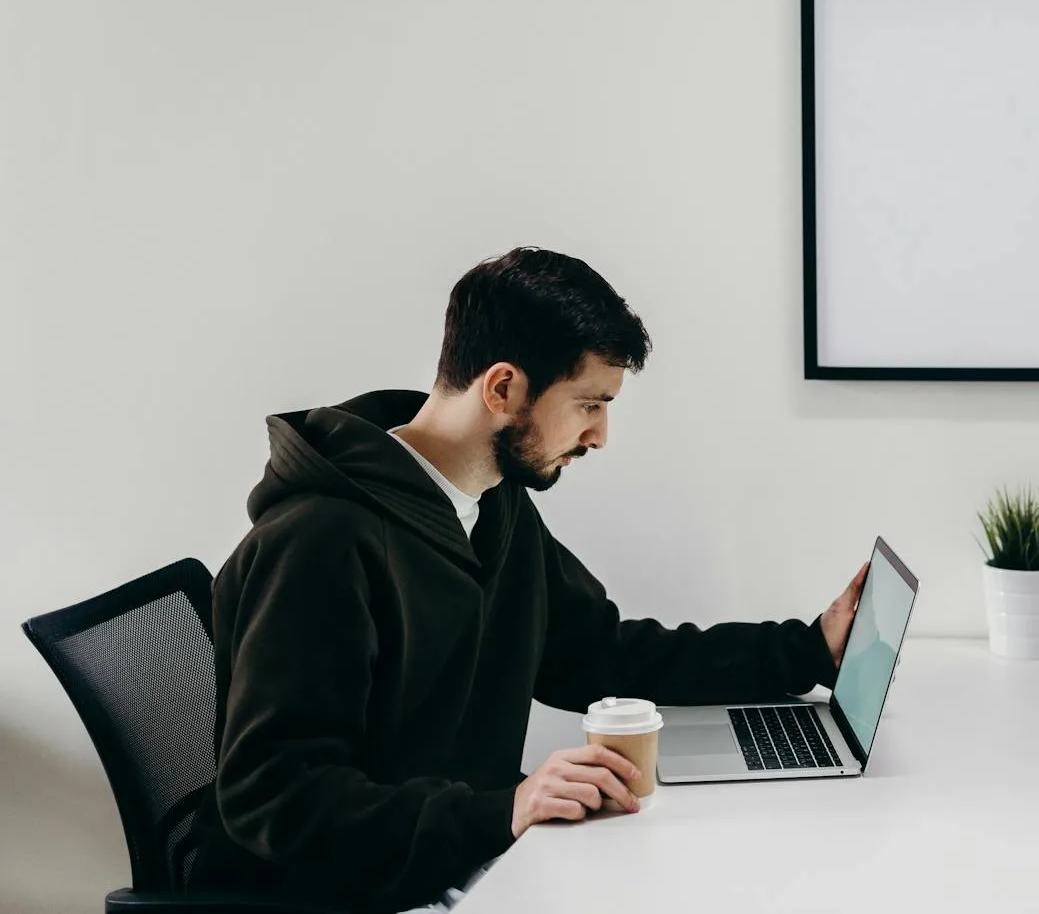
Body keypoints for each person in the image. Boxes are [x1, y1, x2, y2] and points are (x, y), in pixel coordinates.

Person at [188, 247, 867, 914]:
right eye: (589, 404)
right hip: (351, 892)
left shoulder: (494, 505)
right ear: (504, 388)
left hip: (458, 860)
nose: (599, 434)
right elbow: (273, 793)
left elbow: (596, 652)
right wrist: (502, 810)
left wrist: (807, 649)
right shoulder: (321, 540)